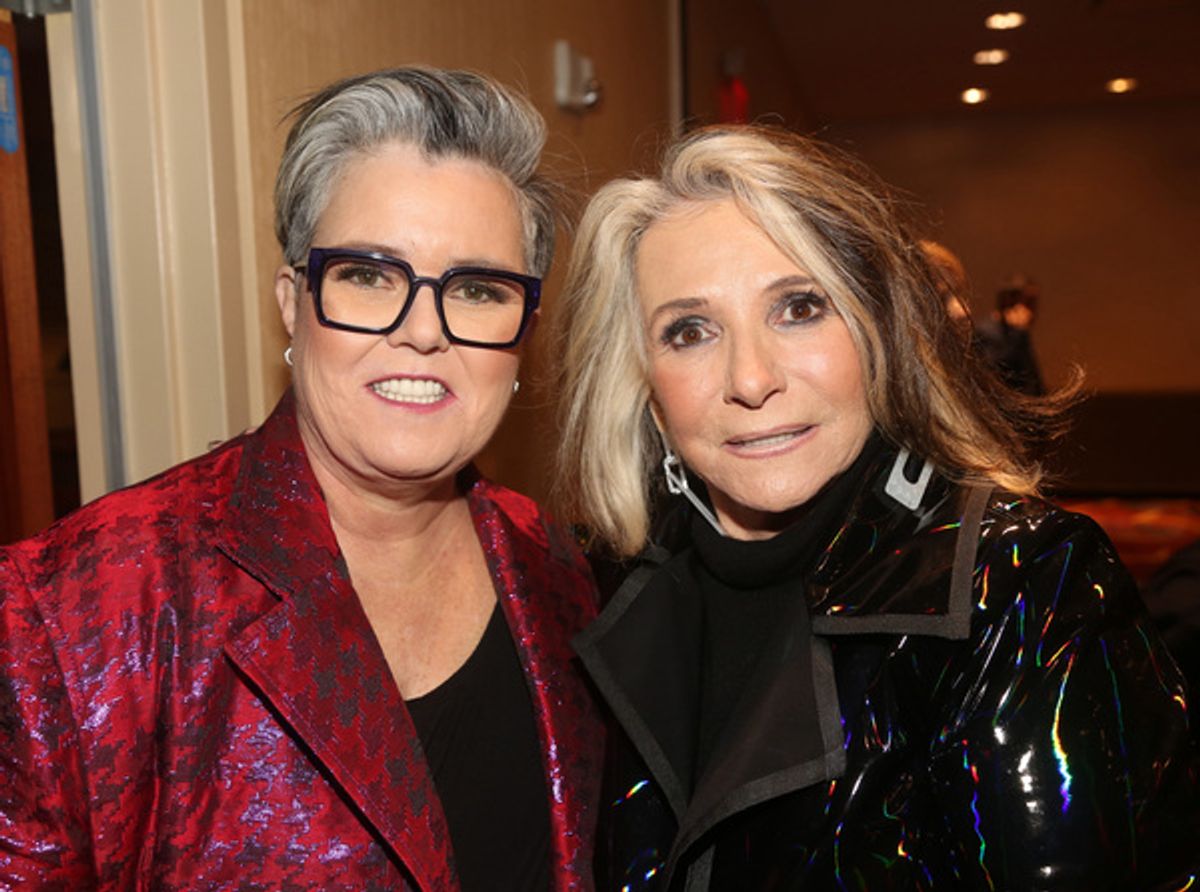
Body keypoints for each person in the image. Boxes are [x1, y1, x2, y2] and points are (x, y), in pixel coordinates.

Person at [0, 67, 601, 890]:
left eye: (476, 289)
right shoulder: (74, 614)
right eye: (368, 275)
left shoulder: (562, 573)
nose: (423, 331)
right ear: (293, 302)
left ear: (522, 331)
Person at [554, 125, 1198, 890]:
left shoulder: (1023, 583)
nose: (751, 377)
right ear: (647, 391)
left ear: (880, 335)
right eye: (690, 331)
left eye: (798, 308)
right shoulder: (586, 590)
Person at [974, 275, 1046, 396]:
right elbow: (997, 372)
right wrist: (1018, 335)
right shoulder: (985, 331)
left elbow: (1032, 378)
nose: (1033, 310)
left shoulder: (1019, 333)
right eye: (1029, 302)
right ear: (1009, 302)